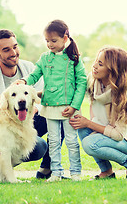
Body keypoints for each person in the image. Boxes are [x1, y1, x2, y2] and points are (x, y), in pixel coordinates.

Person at [69, 46, 127, 179]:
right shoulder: (94, 83)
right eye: (96, 61)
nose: (94, 66)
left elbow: (118, 135)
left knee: (90, 143)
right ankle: (107, 172)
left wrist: (88, 123)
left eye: (100, 64)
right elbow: (74, 88)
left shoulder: (124, 95)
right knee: (82, 130)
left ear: (113, 70)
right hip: (108, 133)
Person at [0, 29, 53, 179]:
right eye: (6, 50)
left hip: (30, 119)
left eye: (15, 46)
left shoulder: (30, 68)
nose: (13, 52)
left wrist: (34, 109)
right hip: (6, 129)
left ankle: (47, 168)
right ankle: (2, 166)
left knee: (58, 114)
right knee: (39, 147)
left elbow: (43, 100)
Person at [18, 20, 87, 182]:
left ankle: (76, 172)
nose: (49, 44)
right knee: (54, 142)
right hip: (50, 108)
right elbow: (34, 75)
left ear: (65, 38)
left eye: (53, 41)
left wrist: (74, 106)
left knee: (71, 141)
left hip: (69, 108)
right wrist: (24, 81)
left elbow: (82, 82)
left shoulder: (74, 59)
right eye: (47, 41)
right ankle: (56, 172)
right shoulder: (45, 58)